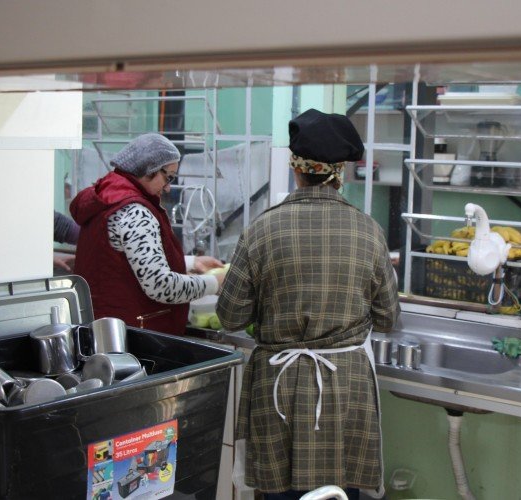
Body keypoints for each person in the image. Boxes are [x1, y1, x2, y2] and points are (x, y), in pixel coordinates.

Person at [217, 108, 400, 499]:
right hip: (345, 384)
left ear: (296, 168)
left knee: (279, 490)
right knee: (341, 488)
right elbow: (388, 316)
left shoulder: (261, 229)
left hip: (277, 386)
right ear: (341, 173)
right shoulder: (369, 231)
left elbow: (230, 316)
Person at [70, 133, 225, 333]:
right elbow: (161, 286)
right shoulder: (134, 211)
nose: (168, 187)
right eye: (167, 177)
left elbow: (127, 257)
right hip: (132, 334)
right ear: (149, 169)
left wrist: (192, 263)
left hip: (104, 327)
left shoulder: (108, 198)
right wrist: (215, 283)